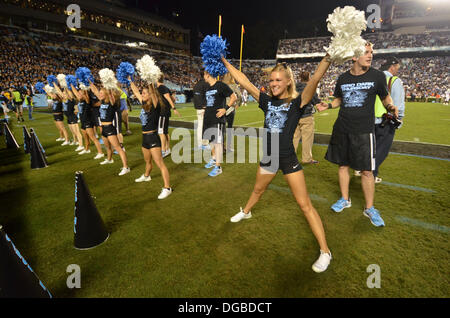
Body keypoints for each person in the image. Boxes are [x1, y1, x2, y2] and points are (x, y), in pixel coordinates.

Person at [221, 54, 333, 273]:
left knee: (304, 204)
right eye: (271, 81)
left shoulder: (298, 102)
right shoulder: (267, 101)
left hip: (288, 158)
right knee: (257, 190)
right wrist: (225, 62)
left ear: (288, 81)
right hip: (269, 156)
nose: (273, 84)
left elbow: (315, 79)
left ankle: (325, 251)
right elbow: (243, 81)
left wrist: (328, 57)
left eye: (278, 80)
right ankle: (246, 211)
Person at [316, 42, 399, 228]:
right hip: (343, 128)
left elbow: (385, 97)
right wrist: (328, 105)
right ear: (354, 56)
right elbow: (338, 99)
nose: (370, 56)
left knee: (367, 171)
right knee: (343, 166)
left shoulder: (377, 76)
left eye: (371, 52)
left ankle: (369, 208)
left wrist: (391, 107)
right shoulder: (342, 78)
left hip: (364, 131)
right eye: (366, 52)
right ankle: (345, 199)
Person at [129, 77, 173, 199]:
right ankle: (147, 176)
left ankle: (167, 188)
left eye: (144, 93)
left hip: (153, 137)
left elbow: (153, 93)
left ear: (150, 95)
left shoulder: (155, 105)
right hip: (145, 138)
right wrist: (130, 80)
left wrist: (150, 82)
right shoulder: (144, 104)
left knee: (160, 163)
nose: (142, 95)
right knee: (147, 161)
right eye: (142, 93)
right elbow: (136, 92)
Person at [371, 57, 405, 183]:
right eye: (398, 67)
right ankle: (370, 174)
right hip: (386, 120)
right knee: (381, 151)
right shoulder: (395, 81)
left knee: (370, 148)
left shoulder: (374, 78)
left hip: (370, 120)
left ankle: (360, 168)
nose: (398, 70)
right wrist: (399, 120)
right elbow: (399, 105)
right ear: (393, 66)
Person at [89, 81, 130, 176]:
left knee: (118, 148)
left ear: (107, 94)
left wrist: (109, 87)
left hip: (110, 128)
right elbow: (95, 90)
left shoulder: (112, 103)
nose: (99, 94)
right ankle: (109, 159)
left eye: (101, 93)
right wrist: (90, 82)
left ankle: (125, 167)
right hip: (103, 128)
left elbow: (111, 95)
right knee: (107, 147)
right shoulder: (102, 101)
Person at [202, 70, 237, 177]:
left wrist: (225, 109)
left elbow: (234, 97)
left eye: (204, 75)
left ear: (208, 74)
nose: (203, 77)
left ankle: (218, 167)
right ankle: (214, 159)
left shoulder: (220, 85)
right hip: (208, 118)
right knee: (211, 142)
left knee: (217, 143)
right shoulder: (208, 88)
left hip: (217, 119)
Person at [292, 71, 321, 164]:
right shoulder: (310, 88)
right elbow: (316, 101)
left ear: (300, 78)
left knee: (294, 138)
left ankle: (290, 158)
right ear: (309, 77)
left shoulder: (294, 87)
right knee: (307, 139)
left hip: (295, 116)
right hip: (306, 115)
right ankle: (306, 159)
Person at [70, 84, 105, 159]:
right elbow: (75, 92)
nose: (78, 94)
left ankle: (100, 152)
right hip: (83, 121)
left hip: (88, 121)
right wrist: (71, 84)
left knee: (93, 138)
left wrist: (84, 88)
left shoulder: (87, 100)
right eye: (78, 93)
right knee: (85, 138)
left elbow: (86, 94)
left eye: (80, 93)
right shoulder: (80, 100)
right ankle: (87, 149)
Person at [156, 74, 181, 158]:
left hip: (163, 112)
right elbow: (172, 98)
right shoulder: (165, 87)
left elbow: (168, 98)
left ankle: (163, 150)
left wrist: (174, 108)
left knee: (161, 132)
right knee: (165, 132)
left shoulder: (161, 88)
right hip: (165, 112)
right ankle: (167, 149)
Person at [222, 72, 242, 152]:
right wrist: (238, 104)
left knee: (222, 129)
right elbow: (240, 96)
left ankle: (222, 147)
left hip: (222, 108)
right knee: (229, 128)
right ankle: (228, 147)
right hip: (230, 108)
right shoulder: (234, 86)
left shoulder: (222, 85)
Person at [192, 70, 209, 149]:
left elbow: (196, 97)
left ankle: (202, 143)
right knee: (203, 126)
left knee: (200, 126)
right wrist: (204, 106)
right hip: (203, 108)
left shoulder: (197, 84)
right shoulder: (205, 84)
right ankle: (203, 144)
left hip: (199, 107)